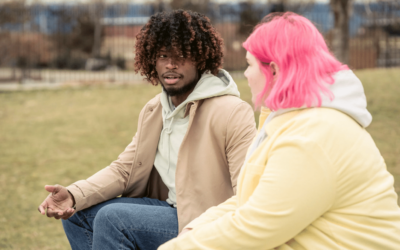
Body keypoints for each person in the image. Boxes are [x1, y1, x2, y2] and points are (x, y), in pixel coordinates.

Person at [159, 12, 400, 249]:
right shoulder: (291, 121)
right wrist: (196, 227)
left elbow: (256, 227)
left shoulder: (313, 136)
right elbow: (251, 202)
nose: (245, 74)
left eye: (249, 65)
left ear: (272, 71)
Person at [37, 10, 257, 250]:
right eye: (163, 55)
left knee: (113, 219)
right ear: (152, 59)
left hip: (204, 221)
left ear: (201, 60)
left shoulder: (232, 111)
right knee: (78, 215)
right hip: (167, 209)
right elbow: (124, 170)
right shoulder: (155, 110)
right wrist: (73, 194)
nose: (170, 64)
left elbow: (247, 192)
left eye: (180, 55)